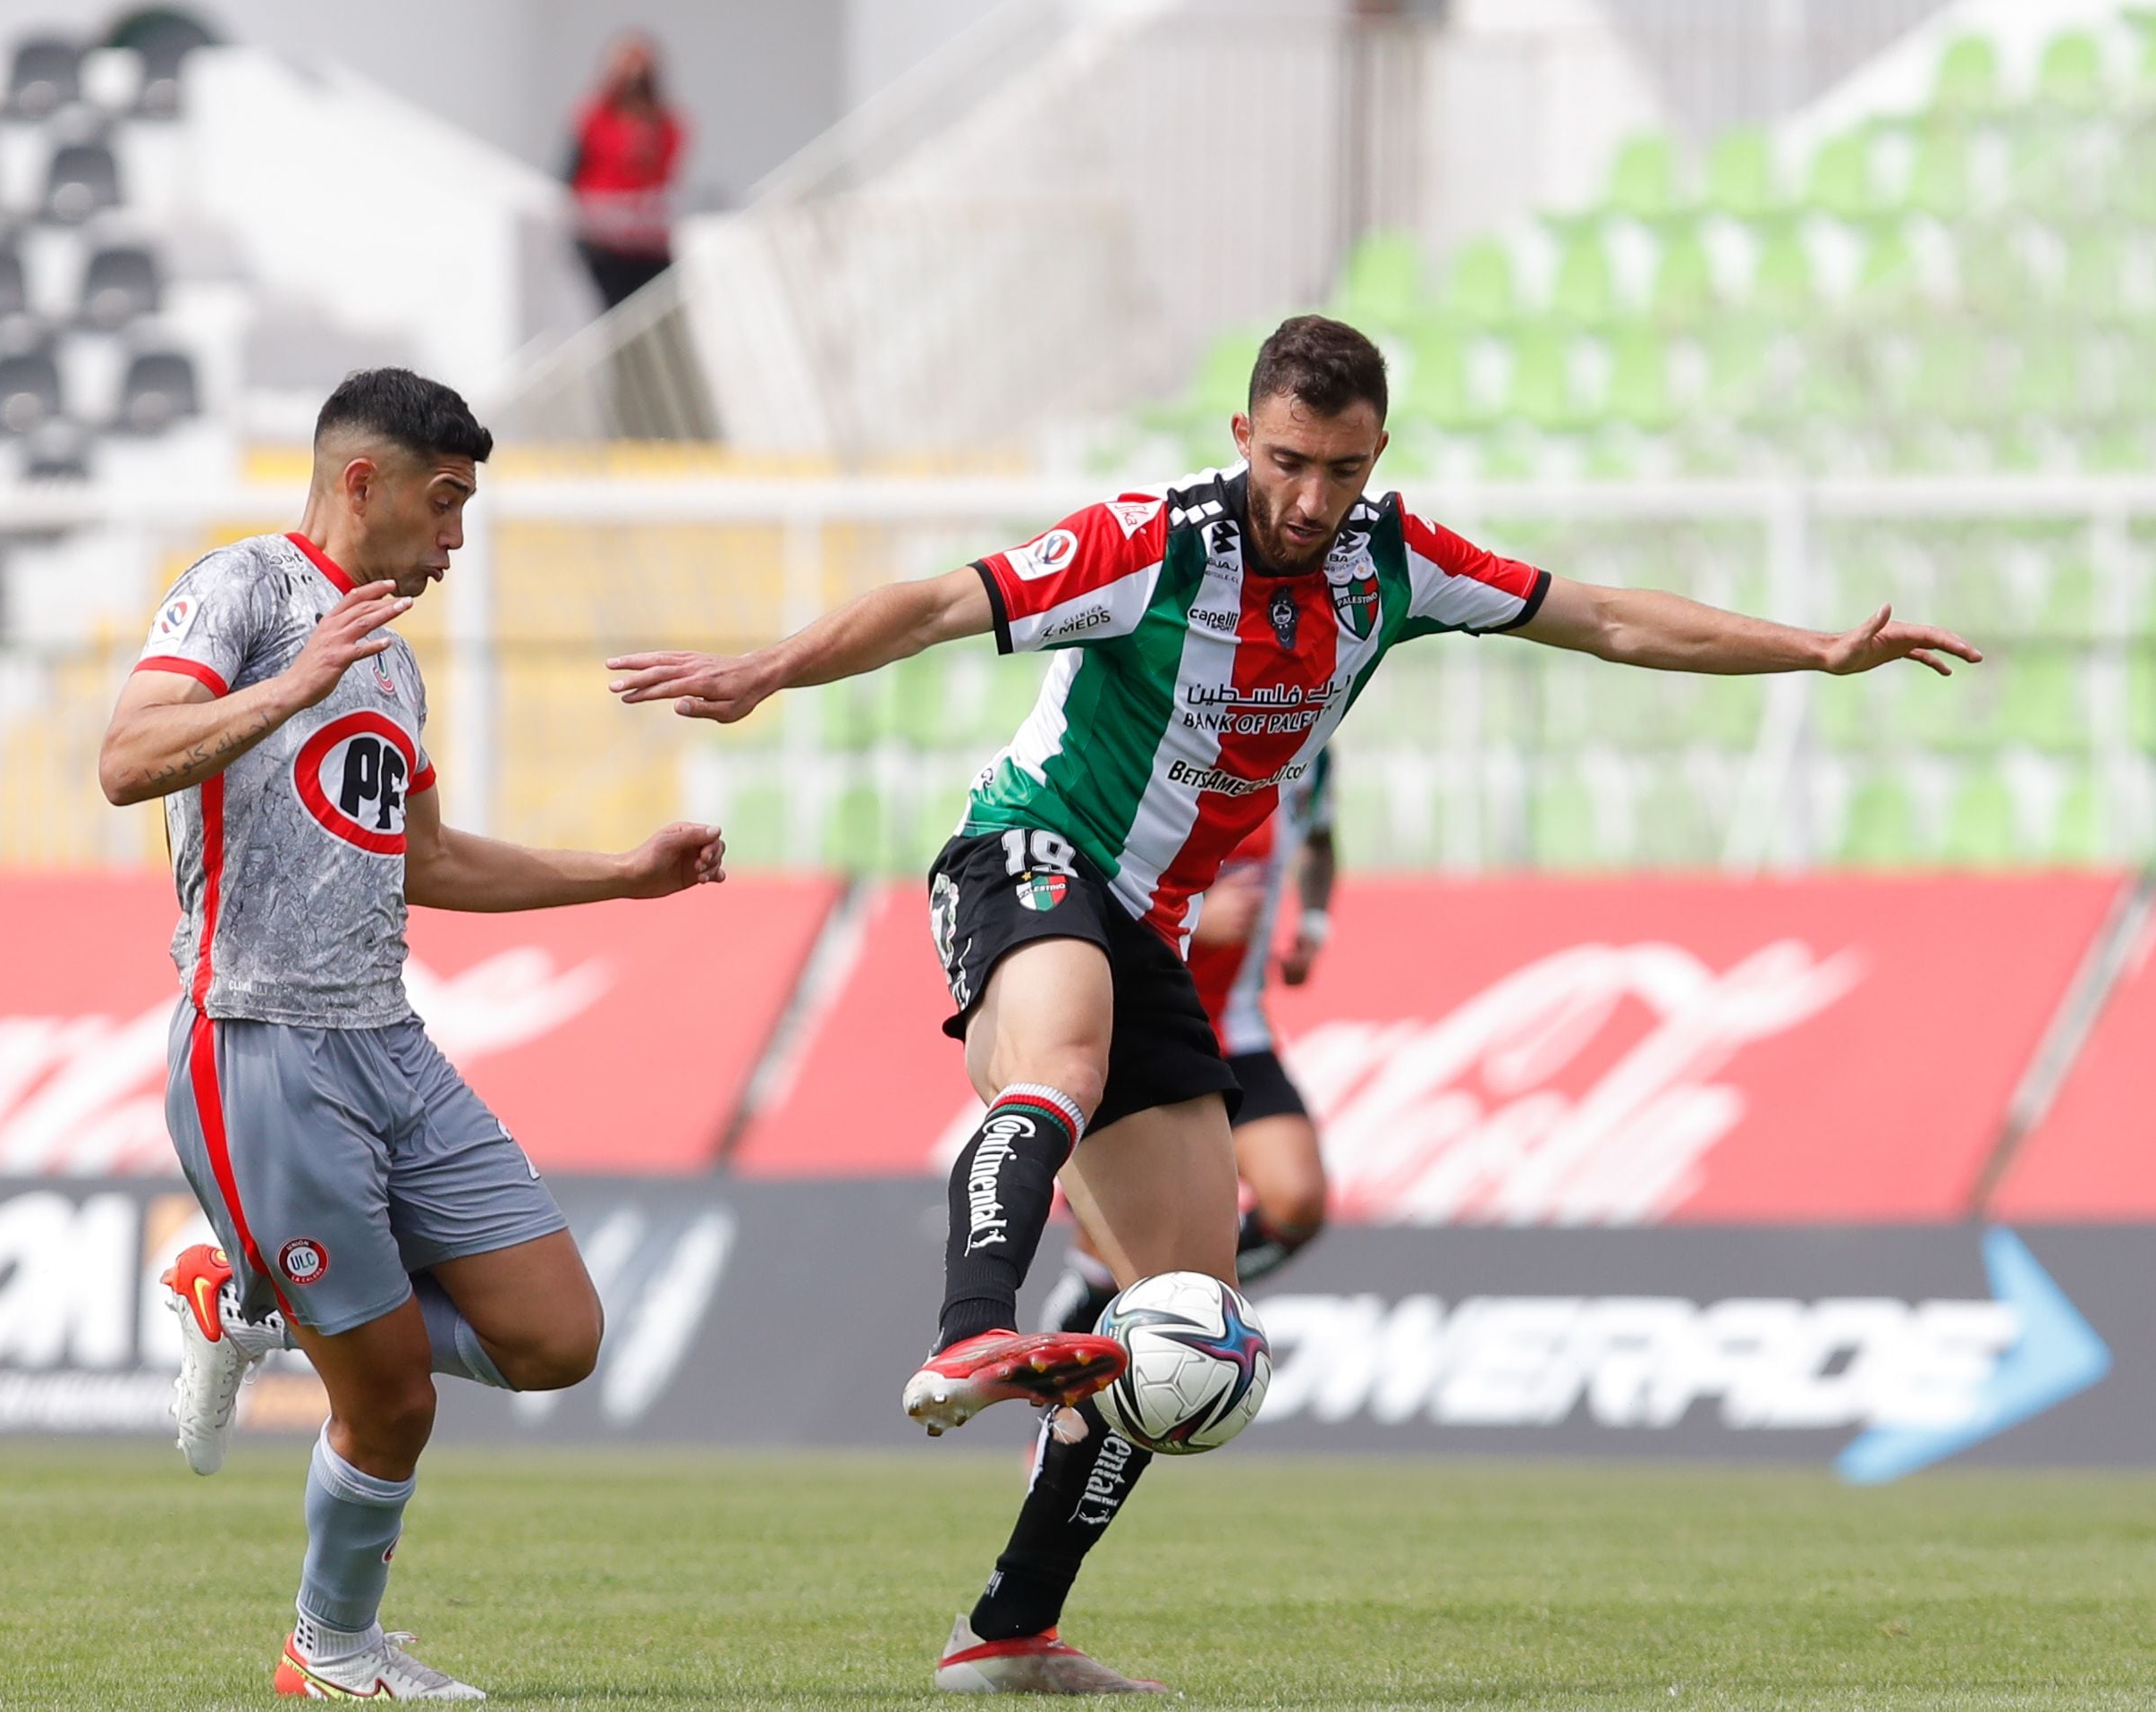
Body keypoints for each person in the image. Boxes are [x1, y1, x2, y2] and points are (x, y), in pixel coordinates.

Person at [606, 314, 1977, 1694]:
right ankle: (971, 1324)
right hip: (1025, 849)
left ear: (1377, 455)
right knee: (1061, 1053)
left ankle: (1008, 1628)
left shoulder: (1397, 562)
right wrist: (769, 665)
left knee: (1188, 1301)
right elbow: (939, 603)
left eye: (1344, 468)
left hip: (1152, 919)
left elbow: (1608, 617)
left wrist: (1812, 650)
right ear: (1239, 438)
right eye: (1288, 461)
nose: (1313, 499)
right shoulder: (1153, 539)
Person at [100, 367, 725, 1700]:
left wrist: (623, 873)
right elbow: (126, 757)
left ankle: (254, 1303)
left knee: (558, 1334)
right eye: (444, 506)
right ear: (364, 480)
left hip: (389, 1041)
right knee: (390, 1400)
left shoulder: (386, 653)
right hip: (258, 1040)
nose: (454, 540)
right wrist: (288, 682)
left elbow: (423, 858)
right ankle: (328, 1651)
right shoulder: (246, 591)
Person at [1041, 748, 1336, 1337]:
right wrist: (1195, 925)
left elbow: (1321, 841)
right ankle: (1070, 1397)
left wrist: (1311, 923)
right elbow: (1090, 887)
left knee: (1296, 1198)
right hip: (1135, 1026)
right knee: (1117, 1239)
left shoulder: (1312, 741)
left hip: (1235, 1027)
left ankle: (1179, 1308)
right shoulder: (1166, 731)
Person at [566, 32, 684, 312]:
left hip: (649, 246)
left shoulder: (666, 125)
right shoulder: (593, 117)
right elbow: (574, 173)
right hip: (604, 245)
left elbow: (662, 173)